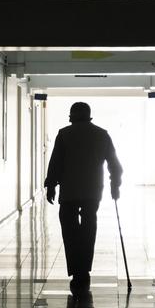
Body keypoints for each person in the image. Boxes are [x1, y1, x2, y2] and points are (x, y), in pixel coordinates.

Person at [44, 102, 123, 291]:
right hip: (92, 190)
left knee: (70, 232)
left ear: (71, 117)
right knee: (88, 229)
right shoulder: (101, 134)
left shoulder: (64, 134)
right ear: (89, 117)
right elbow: (114, 164)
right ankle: (84, 270)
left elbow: (56, 162)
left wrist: (51, 185)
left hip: (69, 191)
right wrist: (115, 185)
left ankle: (76, 270)